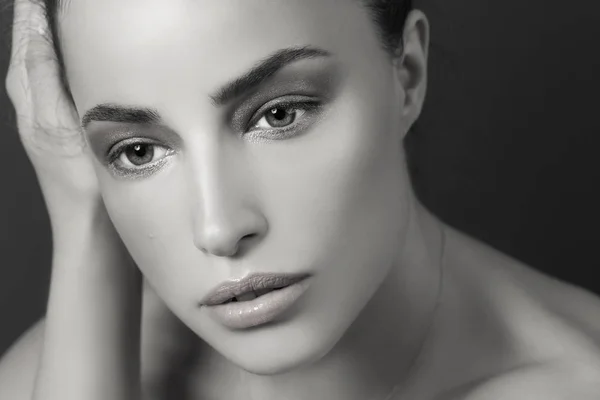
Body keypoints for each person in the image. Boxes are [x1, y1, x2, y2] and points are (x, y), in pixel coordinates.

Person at [1, 0, 600, 399]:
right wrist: (86, 226)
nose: (218, 227)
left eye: (279, 114)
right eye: (136, 152)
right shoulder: (74, 358)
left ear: (407, 74)